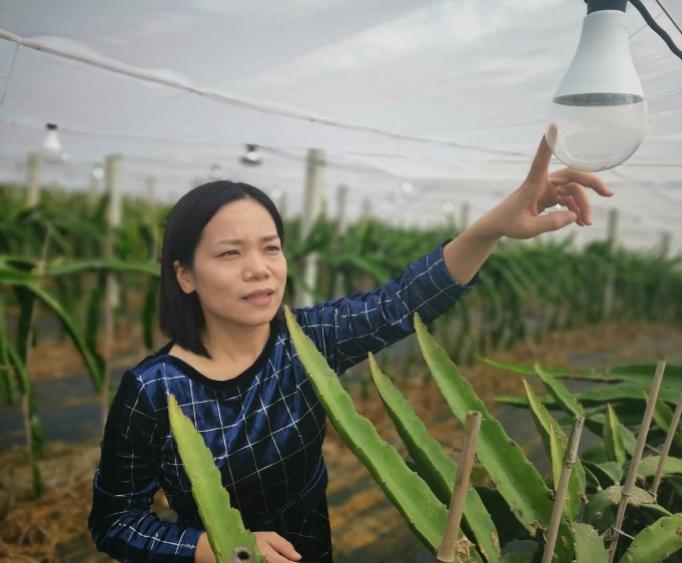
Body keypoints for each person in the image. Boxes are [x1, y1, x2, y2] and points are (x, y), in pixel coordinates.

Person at [88, 137, 611, 562]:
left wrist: (493, 225)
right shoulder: (154, 389)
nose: (259, 268)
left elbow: (403, 301)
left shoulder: (306, 342)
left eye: (271, 247)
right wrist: (212, 545)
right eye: (230, 253)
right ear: (184, 275)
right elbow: (115, 523)